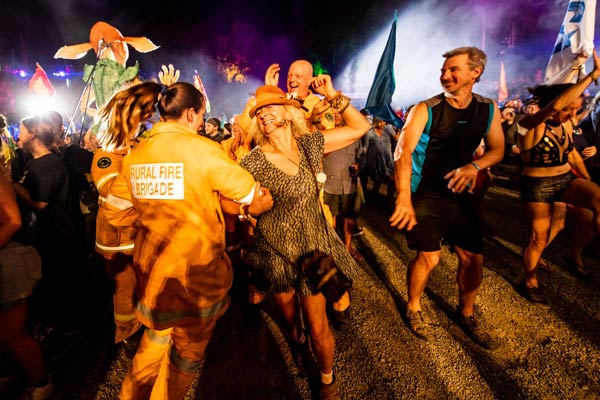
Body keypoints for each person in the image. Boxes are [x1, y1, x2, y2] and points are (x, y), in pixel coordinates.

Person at [101, 81, 273, 399]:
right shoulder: (203, 150)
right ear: (191, 114)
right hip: (197, 279)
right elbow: (250, 193)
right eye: (202, 115)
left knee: (155, 338)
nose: (201, 122)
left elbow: (114, 211)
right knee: (187, 353)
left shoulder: (137, 154)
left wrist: (151, 223)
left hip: (153, 277)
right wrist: (254, 207)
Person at [239, 77, 370, 399]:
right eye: (259, 111)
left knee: (317, 325)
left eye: (271, 107)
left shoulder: (310, 145)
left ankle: (326, 378)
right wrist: (248, 210)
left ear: (288, 111)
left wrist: (332, 95)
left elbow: (360, 127)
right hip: (276, 254)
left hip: (312, 250)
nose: (264, 114)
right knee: (289, 321)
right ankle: (297, 346)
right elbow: (229, 200)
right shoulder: (252, 161)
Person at [389, 46, 504, 349]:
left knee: (473, 258)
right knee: (429, 257)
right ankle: (414, 306)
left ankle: (466, 313)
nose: (445, 75)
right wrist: (403, 198)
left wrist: (474, 166)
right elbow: (402, 152)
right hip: (426, 192)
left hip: (462, 194)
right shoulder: (425, 109)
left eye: (454, 69)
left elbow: (498, 150)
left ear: (475, 73)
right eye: (443, 70)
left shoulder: (488, 109)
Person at [515, 49, 600, 303]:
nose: (572, 115)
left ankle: (576, 253)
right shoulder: (530, 124)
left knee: (596, 201)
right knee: (538, 237)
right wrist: (593, 75)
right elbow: (556, 105)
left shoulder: (566, 123)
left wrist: (586, 180)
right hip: (537, 186)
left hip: (564, 180)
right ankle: (529, 279)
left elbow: (572, 154)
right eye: (569, 110)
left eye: (576, 110)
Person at [0, 163, 52, 400]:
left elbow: (13, 221)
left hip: (7, 264)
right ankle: (10, 372)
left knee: (12, 335)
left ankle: (41, 383)